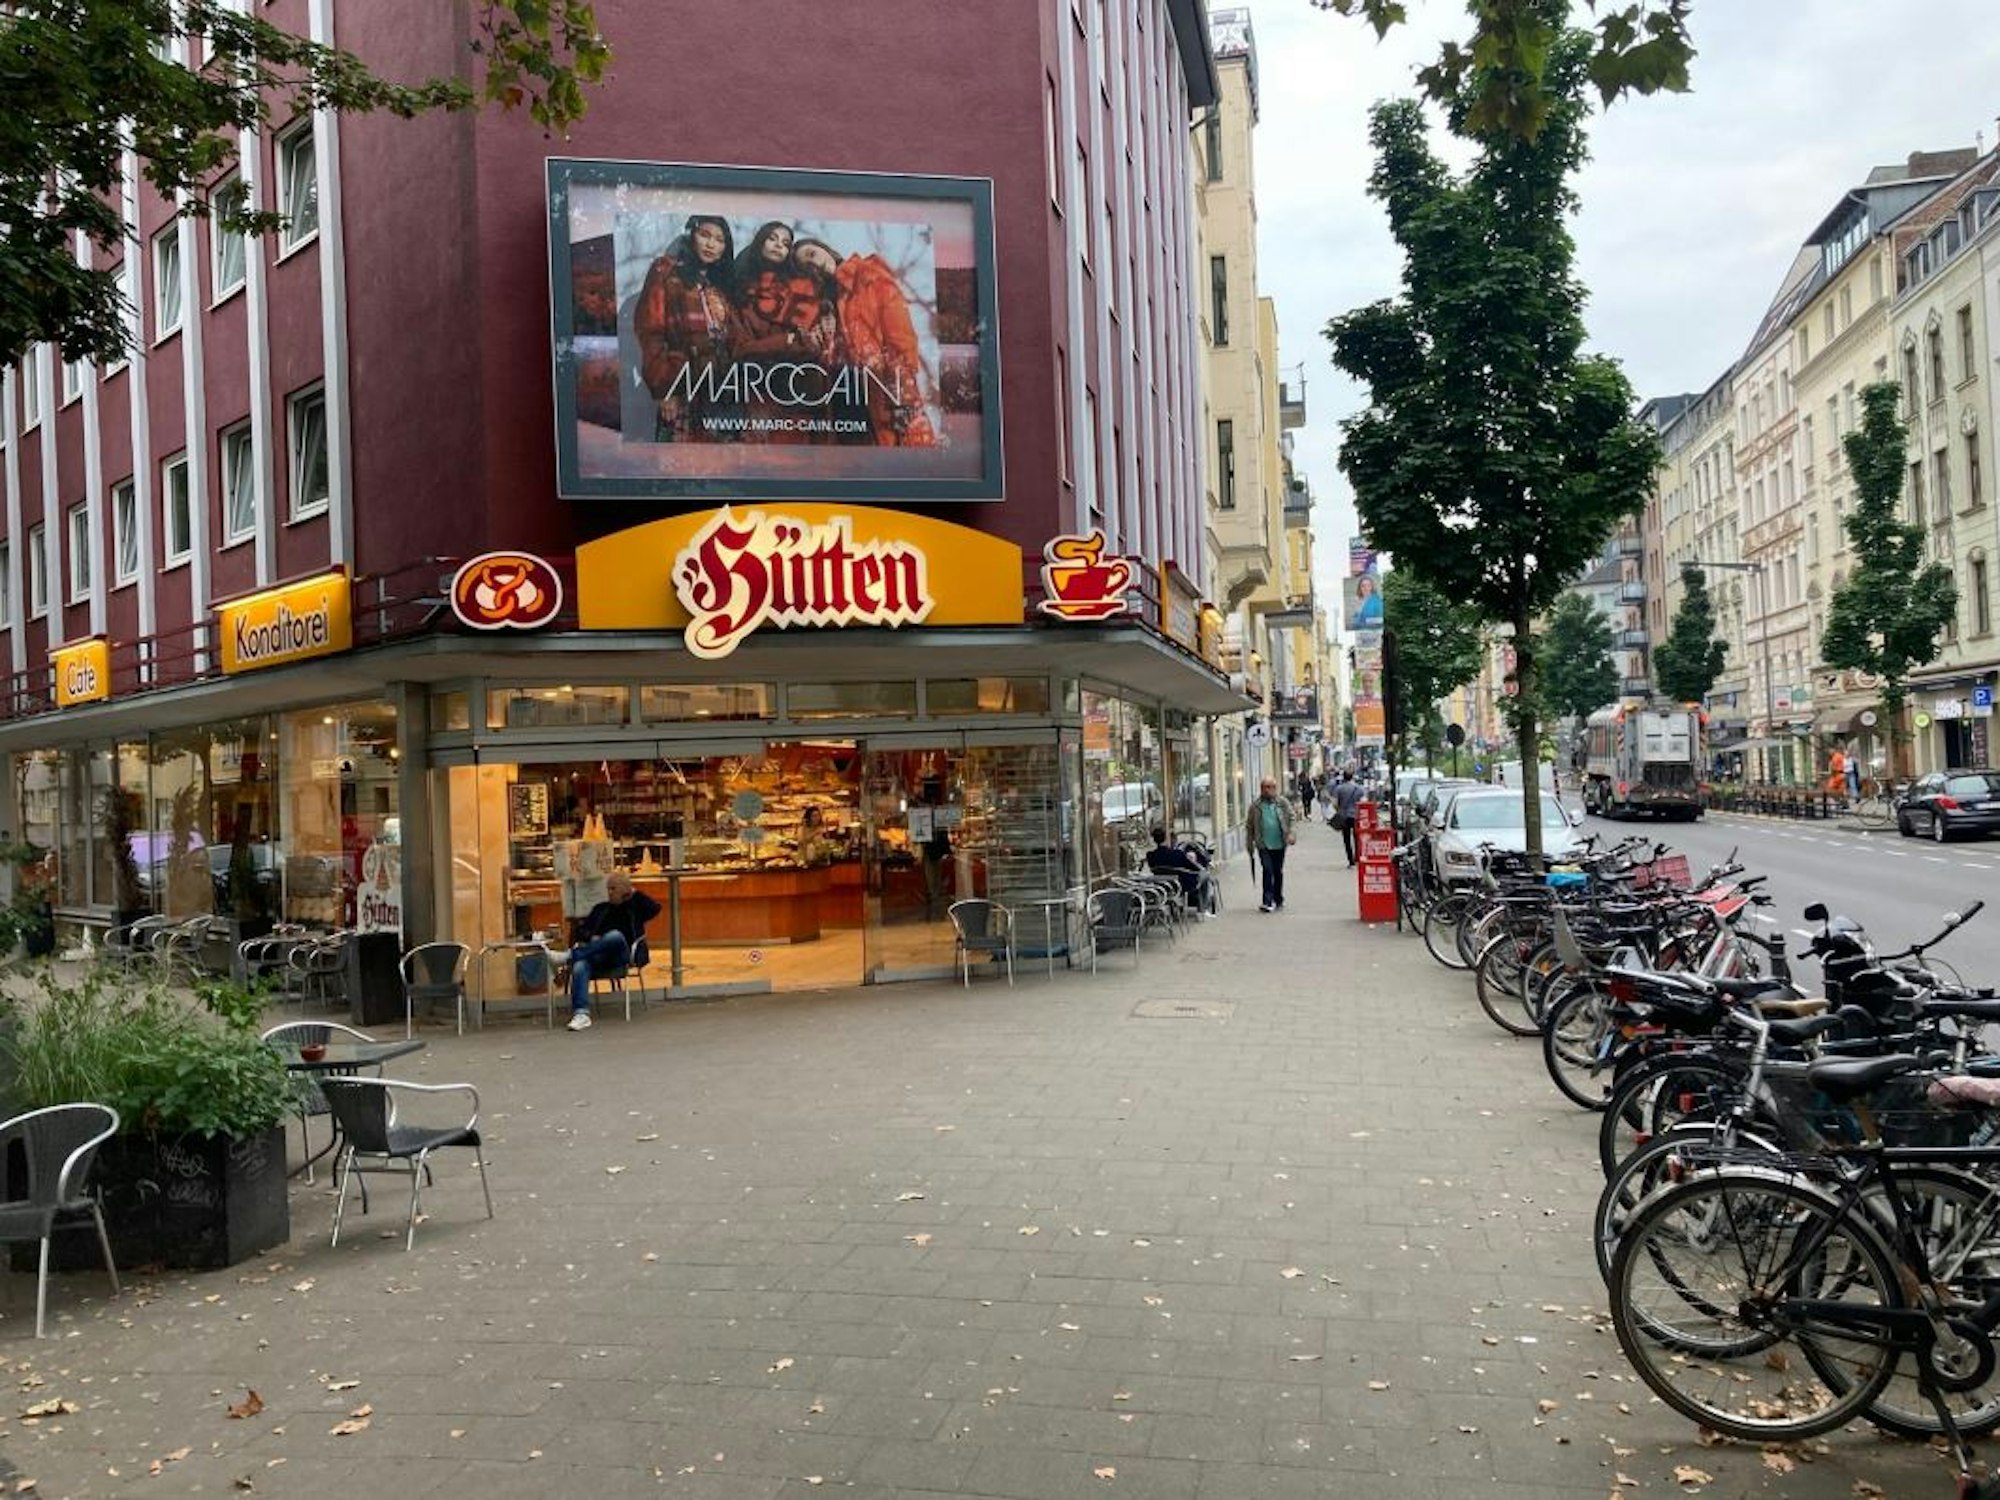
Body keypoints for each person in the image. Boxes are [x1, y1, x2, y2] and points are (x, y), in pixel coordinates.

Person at [793, 237, 937, 447]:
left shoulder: (869, 276)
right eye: (806, 266)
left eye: (812, 254)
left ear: (826, 250)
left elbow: (900, 339)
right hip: (844, 420)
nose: (814, 264)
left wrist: (903, 397)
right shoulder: (821, 309)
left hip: (883, 404)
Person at [633, 214, 737, 441]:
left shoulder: (721, 283)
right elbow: (651, 331)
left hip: (719, 386)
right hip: (682, 382)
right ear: (691, 236)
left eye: (719, 240)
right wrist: (665, 388)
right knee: (680, 453)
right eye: (705, 235)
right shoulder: (667, 271)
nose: (711, 244)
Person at [729, 221, 835, 443]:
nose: (779, 245)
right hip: (758, 393)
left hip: (801, 393)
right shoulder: (741, 290)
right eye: (772, 238)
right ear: (760, 241)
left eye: (786, 243)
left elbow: (811, 344)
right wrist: (786, 340)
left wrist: (797, 342)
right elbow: (741, 349)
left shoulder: (799, 292)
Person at [553, 872, 661, 1032]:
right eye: (608, 889)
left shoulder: (634, 907)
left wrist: (633, 892)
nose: (609, 892)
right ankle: (581, 1014)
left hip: (621, 955)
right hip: (598, 955)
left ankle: (569, 956)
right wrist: (591, 937)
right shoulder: (601, 909)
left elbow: (655, 908)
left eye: (613, 889)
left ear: (624, 889)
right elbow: (581, 932)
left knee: (615, 936)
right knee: (580, 965)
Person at [1244, 777, 1296, 913]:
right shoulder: (1255, 806)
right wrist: (1249, 845)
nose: (1266, 790)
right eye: (1263, 787)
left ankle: (1278, 898)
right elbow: (1249, 826)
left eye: (1268, 787)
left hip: (1279, 843)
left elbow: (1292, 817)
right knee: (1267, 870)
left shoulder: (1282, 803)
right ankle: (1267, 901)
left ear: (1274, 788)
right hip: (1263, 844)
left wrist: (1291, 833)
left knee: (1277, 871)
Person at [1144, 826, 1210, 913]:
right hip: (1182, 884)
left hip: (1163, 885)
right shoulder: (1177, 854)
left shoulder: (1150, 855)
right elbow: (1194, 868)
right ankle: (1202, 908)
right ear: (1167, 839)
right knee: (1205, 875)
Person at [1331, 773, 1365, 867]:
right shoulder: (1358, 788)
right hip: (1356, 816)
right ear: (1352, 777)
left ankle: (1350, 860)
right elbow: (1363, 801)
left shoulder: (1339, 789)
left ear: (1344, 777)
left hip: (1344, 816)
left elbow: (1334, 803)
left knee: (1346, 838)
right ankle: (1357, 857)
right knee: (1357, 837)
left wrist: (1339, 810)